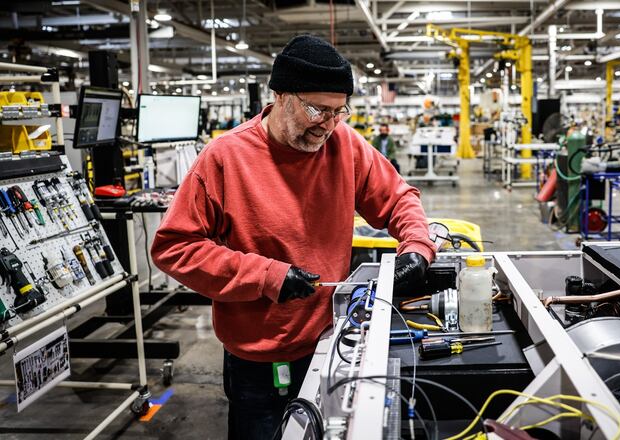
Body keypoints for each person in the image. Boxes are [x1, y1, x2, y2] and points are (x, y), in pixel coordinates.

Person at [150, 35, 435, 439]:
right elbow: (174, 248)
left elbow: (398, 199)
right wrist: (265, 276)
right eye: (317, 109)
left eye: (339, 112)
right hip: (255, 362)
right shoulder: (225, 159)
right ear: (280, 95)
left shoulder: (345, 146)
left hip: (329, 343)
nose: (328, 124)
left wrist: (418, 246)